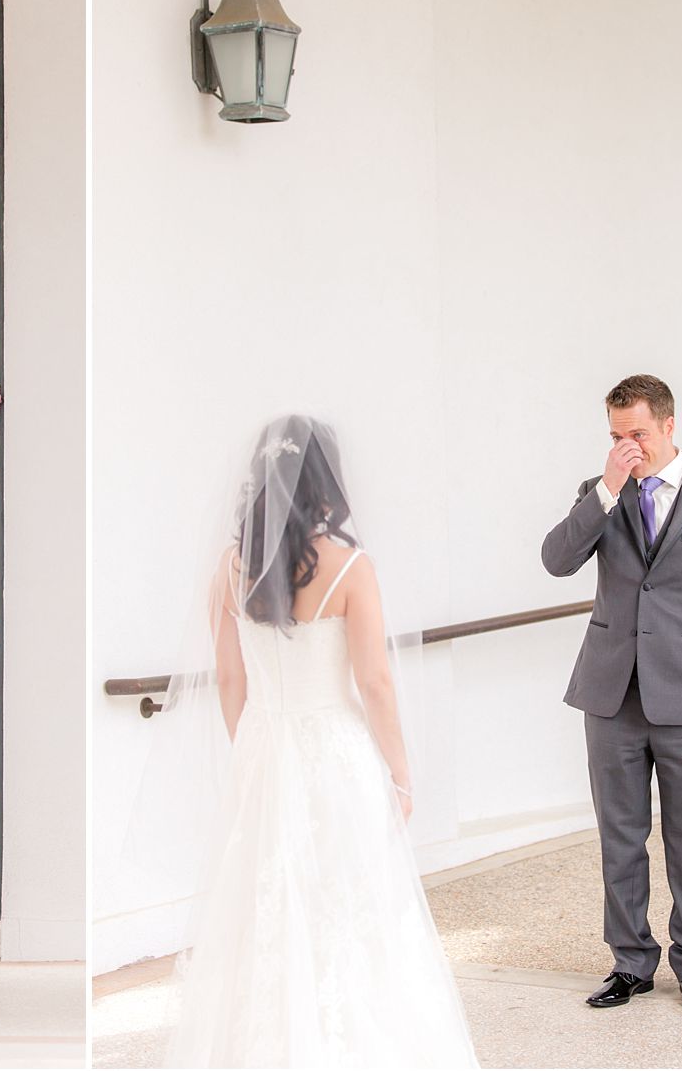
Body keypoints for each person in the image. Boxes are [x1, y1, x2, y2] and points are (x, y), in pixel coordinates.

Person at [162, 415, 479, 1068]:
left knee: (261, 909)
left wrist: (251, 745)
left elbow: (229, 676)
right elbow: (375, 681)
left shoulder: (228, 566)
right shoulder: (350, 567)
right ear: (326, 484)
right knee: (349, 903)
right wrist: (401, 773)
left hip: (263, 746)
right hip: (336, 754)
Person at [542, 373, 682, 1013]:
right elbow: (556, 560)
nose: (627, 447)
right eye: (616, 437)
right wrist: (608, 490)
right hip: (610, 694)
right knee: (620, 836)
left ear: (669, 425)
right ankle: (630, 964)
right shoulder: (602, 493)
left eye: (637, 434)